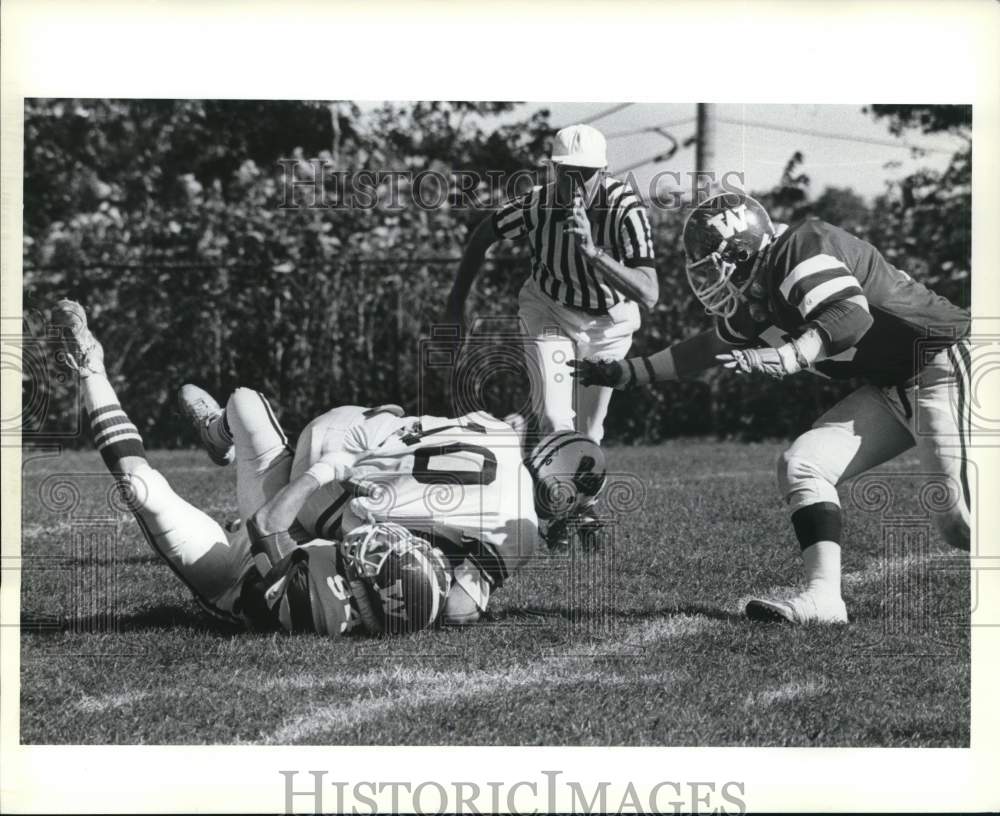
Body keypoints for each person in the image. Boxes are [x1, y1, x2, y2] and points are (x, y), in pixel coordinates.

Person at [569, 192, 971, 624]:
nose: (713, 284)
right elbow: (706, 348)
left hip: (944, 361)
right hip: (893, 386)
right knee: (802, 465)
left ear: (745, 251)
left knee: (958, 519)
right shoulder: (761, 293)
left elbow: (851, 315)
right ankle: (824, 599)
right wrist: (627, 373)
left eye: (717, 270)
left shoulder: (801, 246)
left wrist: (787, 356)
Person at [50, 299, 449, 637]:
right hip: (293, 533)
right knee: (244, 403)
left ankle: (89, 369)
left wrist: (327, 470)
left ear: (363, 595)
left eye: (380, 558)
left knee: (141, 489)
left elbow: (265, 526)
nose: (380, 543)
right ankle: (216, 433)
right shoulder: (395, 595)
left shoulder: (326, 608)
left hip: (234, 572)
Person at [445, 123, 657, 449]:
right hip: (550, 309)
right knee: (554, 417)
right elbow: (482, 236)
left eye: (584, 173)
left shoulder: (625, 209)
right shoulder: (536, 205)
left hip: (609, 325)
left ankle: (578, 497)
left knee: (590, 433)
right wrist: (454, 306)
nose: (574, 184)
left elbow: (649, 293)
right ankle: (552, 489)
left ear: (603, 172)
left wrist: (593, 252)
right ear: (553, 170)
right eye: (566, 173)